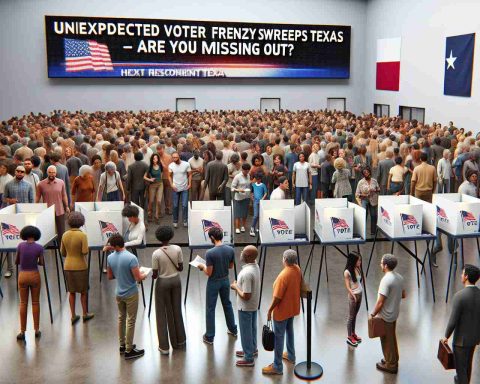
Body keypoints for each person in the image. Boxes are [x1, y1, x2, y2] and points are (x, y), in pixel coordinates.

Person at [106, 234, 148, 360]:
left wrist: (120, 273)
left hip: (118, 293)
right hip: (131, 293)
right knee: (131, 320)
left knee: (121, 318)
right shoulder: (131, 258)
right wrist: (144, 275)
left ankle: (122, 345)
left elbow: (110, 276)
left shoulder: (110, 257)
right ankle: (129, 350)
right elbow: (137, 278)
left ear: (115, 246)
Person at [263, 249, 301, 375]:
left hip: (282, 312)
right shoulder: (297, 269)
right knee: (290, 331)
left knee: (279, 338)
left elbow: (277, 297)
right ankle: (291, 355)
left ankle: (277, 366)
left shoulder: (283, 276)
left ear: (285, 260)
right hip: (292, 308)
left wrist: (270, 310)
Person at [197, 227, 237, 345]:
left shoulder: (210, 253)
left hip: (214, 282)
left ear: (212, 238)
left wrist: (202, 267)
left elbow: (209, 273)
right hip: (225, 280)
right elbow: (231, 267)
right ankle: (233, 329)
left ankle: (210, 336)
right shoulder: (230, 249)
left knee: (210, 308)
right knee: (227, 304)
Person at [442, 264, 480, 384]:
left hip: (460, 342)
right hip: (474, 339)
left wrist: (446, 336)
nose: (461, 275)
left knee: (461, 370)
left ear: (466, 276)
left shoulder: (460, 296)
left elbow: (453, 320)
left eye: (462, 273)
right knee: (467, 366)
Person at [152, 226, 186, 355]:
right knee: (176, 310)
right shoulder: (177, 249)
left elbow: (155, 274)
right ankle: (180, 341)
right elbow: (181, 268)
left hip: (163, 282)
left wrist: (151, 274)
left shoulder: (156, 253)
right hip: (176, 281)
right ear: (171, 236)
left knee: (161, 314)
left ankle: (164, 347)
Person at [370, 254, 406, 374]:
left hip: (386, 316)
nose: (380, 264)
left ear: (385, 265)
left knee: (386, 340)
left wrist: (373, 314)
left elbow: (380, 302)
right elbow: (403, 295)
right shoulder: (399, 277)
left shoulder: (386, 280)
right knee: (392, 338)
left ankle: (391, 365)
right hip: (394, 313)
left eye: (381, 263)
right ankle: (393, 359)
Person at [61, 212, 94, 325]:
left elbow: (63, 252)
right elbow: (85, 251)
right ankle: (85, 314)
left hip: (68, 266)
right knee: (83, 292)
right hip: (81, 266)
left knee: (72, 292)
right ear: (81, 222)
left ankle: (73, 315)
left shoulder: (64, 235)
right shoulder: (83, 235)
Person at [230, 245, 261, 367]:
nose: (241, 253)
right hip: (253, 305)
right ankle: (252, 349)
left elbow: (246, 295)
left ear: (247, 256)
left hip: (245, 307)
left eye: (243, 252)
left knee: (245, 332)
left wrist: (235, 286)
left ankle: (248, 358)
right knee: (252, 328)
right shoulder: (255, 266)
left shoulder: (247, 273)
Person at [15, 225, 43, 340]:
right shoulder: (39, 247)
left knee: (23, 303)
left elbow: (17, 261)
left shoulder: (20, 246)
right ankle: (36, 330)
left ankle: (22, 331)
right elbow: (41, 263)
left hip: (23, 276)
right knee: (35, 302)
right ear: (36, 235)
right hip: (34, 275)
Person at [36, 165, 69, 242]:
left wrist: (66, 206)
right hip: (47, 211)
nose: (51, 174)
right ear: (47, 173)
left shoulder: (61, 182)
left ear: (56, 173)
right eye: (50, 172)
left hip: (59, 210)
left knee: (61, 232)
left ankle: (62, 248)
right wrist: (35, 207)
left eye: (53, 172)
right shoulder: (41, 184)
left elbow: (64, 195)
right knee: (47, 231)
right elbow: (37, 196)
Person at [344, 253, 363, 347]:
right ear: (353, 260)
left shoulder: (357, 269)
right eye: (358, 260)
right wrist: (353, 295)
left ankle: (353, 333)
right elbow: (347, 286)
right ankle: (349, 336)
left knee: (355, 315)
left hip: (360, 294)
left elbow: (359, 282)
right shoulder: (347, 272)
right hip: (353, 296)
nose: (360, 262)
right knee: (351, 317)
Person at [168, 152, 192, 228]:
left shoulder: (186, 164)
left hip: (184, 187)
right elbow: (169, 176)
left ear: (179, 157)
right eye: (173, 157)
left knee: (184, 205)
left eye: (176, 157)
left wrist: (189, 184)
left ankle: (185, 220)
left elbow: (190, 174)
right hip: (175, 187)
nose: (175, 159)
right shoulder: (171, 165)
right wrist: (171, 184)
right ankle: (175, 221)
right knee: (175, 205)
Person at [355, 167, 380, 235]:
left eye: (367, 172)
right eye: (364, 173)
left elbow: (378, 189)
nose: (366, 174)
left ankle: (373, 232)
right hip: (364, 200)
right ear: (363, 174)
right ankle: (362, 231)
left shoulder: (374, 181)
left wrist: (374, 190)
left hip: (373, 200)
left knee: (373, 215)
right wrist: (365, 195)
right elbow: (357, 194)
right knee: (364, 215)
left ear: (370, 172)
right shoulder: (360, 182)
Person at [231, 163, 251, 234]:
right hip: (238, 197)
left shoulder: (248, 175)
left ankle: (243, 226)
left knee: (245, 213)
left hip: (246, 197)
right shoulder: (237, 177)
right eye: (245, 171)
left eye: (248, 171)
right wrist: (238, 190)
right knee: (238, 213)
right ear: (242, 170)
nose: (246, 173)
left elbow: (248, 185)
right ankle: (237, 227)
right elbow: (232, 188)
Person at [144, 153, 164, 223]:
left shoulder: (160, 165)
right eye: (154, 158)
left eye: (156, 158)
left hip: (160, 184)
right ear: (152, 159)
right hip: (152, 185)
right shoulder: (149, 167)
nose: (155, 159)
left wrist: (160, 179)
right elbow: (144, 177)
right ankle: (149, 214)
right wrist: (150, 179)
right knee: (151, 201)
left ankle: (156, 216)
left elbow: (161, 173)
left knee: (159, 201)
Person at [250, 173, 268, 237]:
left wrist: (262, 199)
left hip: (261, 202)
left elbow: (265, 192)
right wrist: (252, 197)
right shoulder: (253, 185)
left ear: (260, 179)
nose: (257, 180)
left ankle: (258, 228)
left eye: (259, 179)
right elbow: (251, 192)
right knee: (255, 215)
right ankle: (252, 228)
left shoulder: (263, 185)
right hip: (255, 201)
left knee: (260, 215)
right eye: (256, 179)